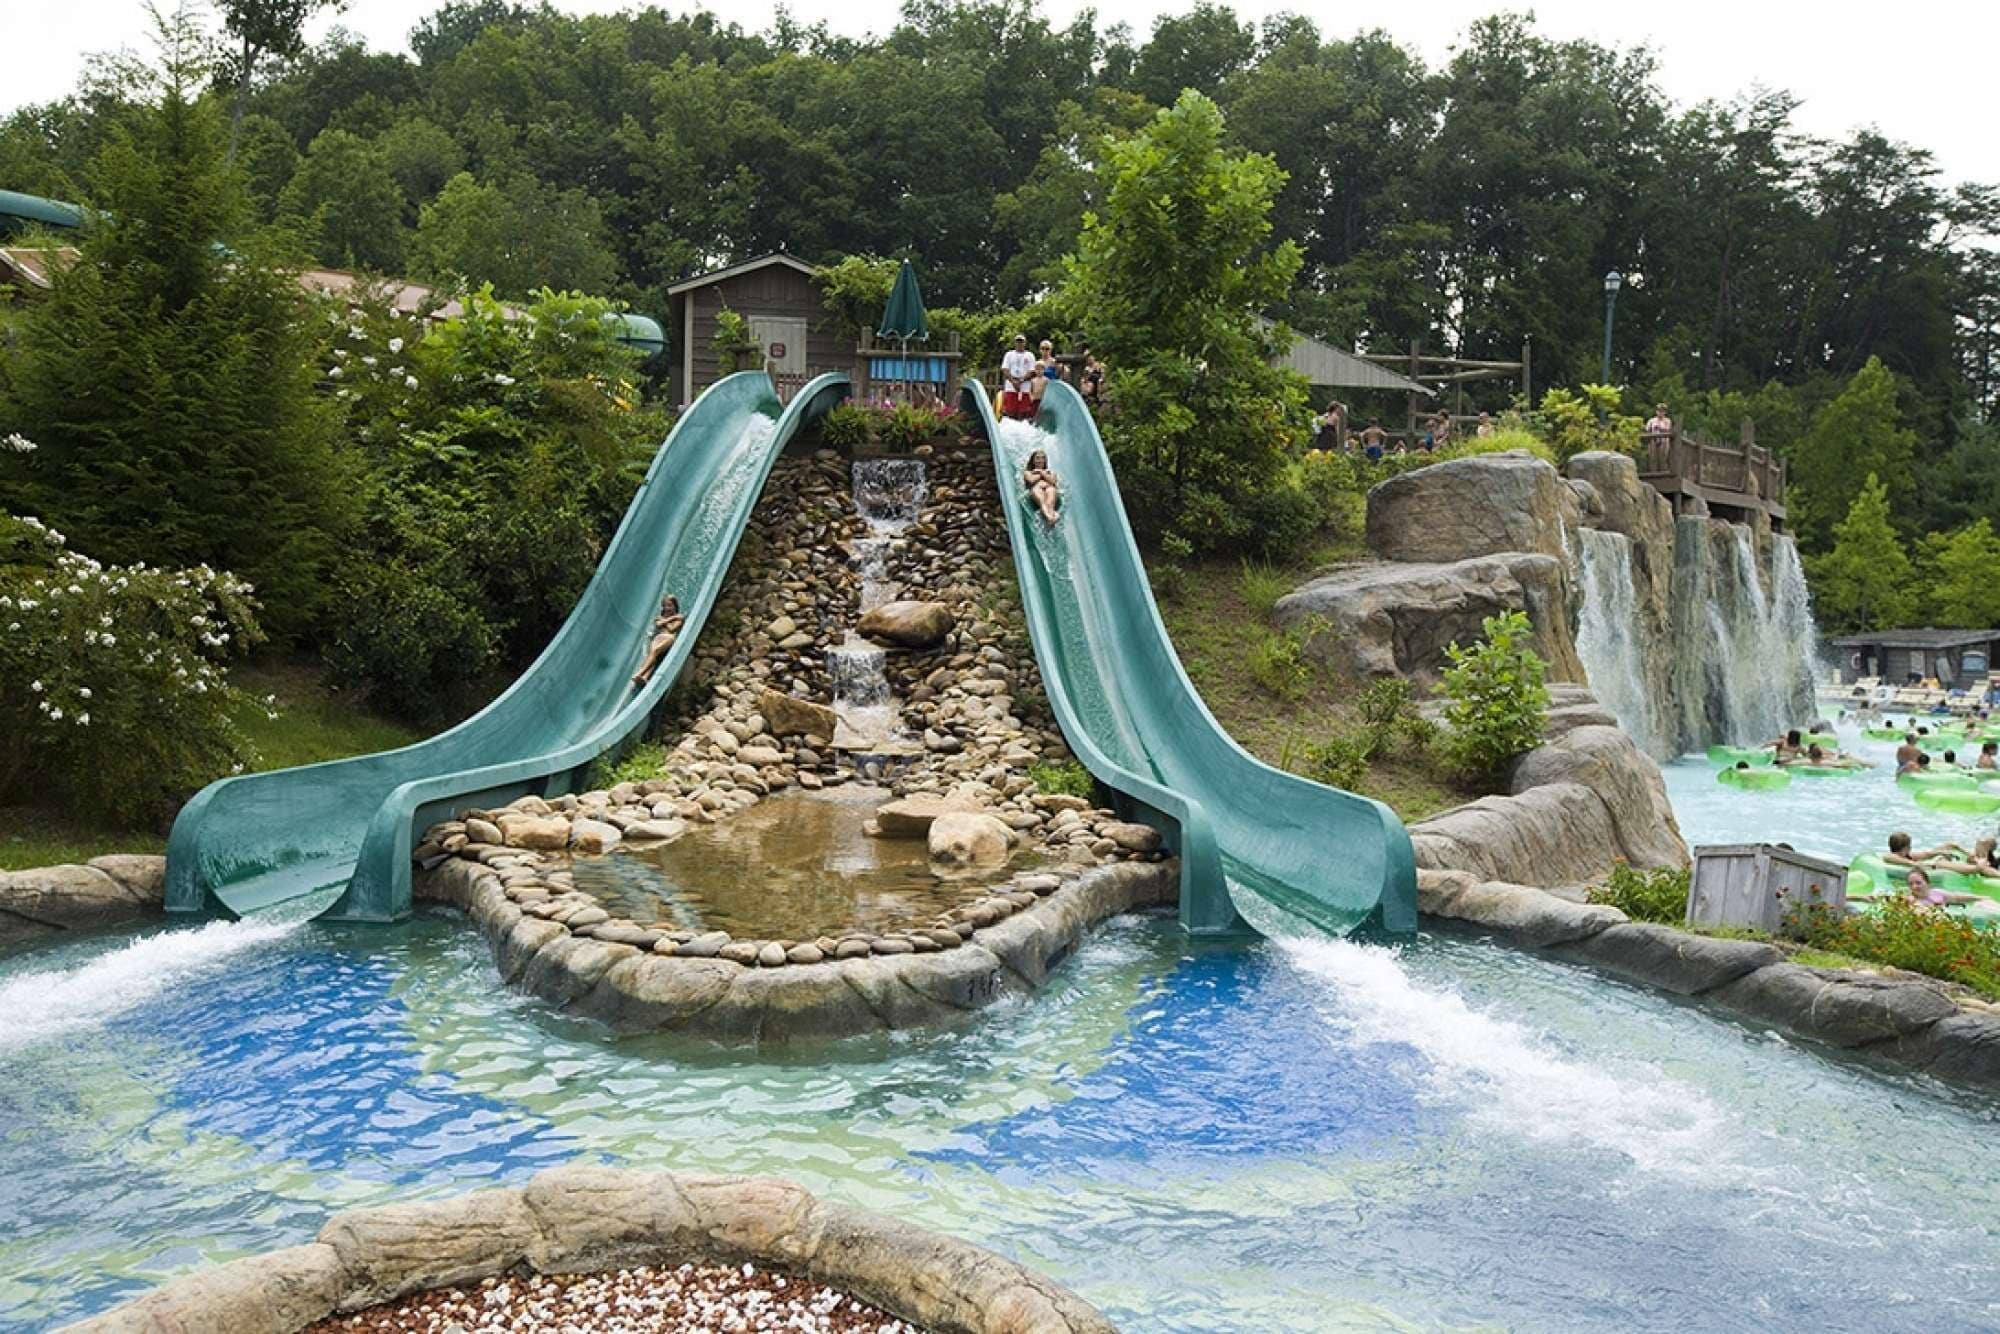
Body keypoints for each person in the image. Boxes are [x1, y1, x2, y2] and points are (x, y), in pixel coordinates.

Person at [631, 595, 685, 687]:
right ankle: (644, 677)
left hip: (669, 637)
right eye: (665, 606)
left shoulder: (679, 617)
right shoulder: (672, 617)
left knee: (656, 651)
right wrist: (671, 619)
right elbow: (658, 624)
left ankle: (640, 672)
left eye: (670, 605)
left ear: (675, 606)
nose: (667, 608)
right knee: (653, 654)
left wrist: (666, 620)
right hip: (658, 638)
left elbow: (672, 629)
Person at [1000, 334, 1036, 419]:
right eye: (1018, 341)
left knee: (1023, 411)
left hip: (1025, 386)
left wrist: (1021, 381)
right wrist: (1013, 381)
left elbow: (1032, 371)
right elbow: (1005, 369)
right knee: (1010, 410)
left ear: (1025, 343)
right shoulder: (1009, 354)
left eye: (1021, 341)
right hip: (1011, 386)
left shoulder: (1030, 355)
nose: (1019, 343)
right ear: (1015, 343)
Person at [1023, 448, 1061, 526]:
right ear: (1033, 461)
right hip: (1036, 489)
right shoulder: (1028, 472)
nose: (1040, 460)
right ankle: (1050, 518)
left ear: (1045, 461)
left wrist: (1041, 472)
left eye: (1043, 458)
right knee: (1042, 501)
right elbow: (1031, 480)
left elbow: (1052, 481)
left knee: (1050, 500)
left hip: (1049, 488)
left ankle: (1050, 517)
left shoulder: (1051, 473)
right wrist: (1042, 473)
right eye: (1037, 458)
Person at [1028, 340, 1061, 418]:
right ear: (1040, 350)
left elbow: (1061, 374)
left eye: (1047, 348)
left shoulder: (1054, 362)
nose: (1045, 351)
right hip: (1039, 392)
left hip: (1051, 389)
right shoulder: (1038, 363)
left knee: (1049, 412)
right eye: (1043, 348)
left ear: (1051, 350)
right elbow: (1033, 378)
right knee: (1037, 412)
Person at [1079, 344, 1105, 410]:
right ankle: (1084, 397)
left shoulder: (1099, 365)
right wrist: (1087, 374)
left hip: (1097, 383)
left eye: (1090, 356)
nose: (1089, 358)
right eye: (1087, 357)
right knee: (1084, 383)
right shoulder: (1086, 368)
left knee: (1093, 382)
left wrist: (1101, 378)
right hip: (1089, 384)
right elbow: (1085, 379)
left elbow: (1103, 375)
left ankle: (1096, 398)